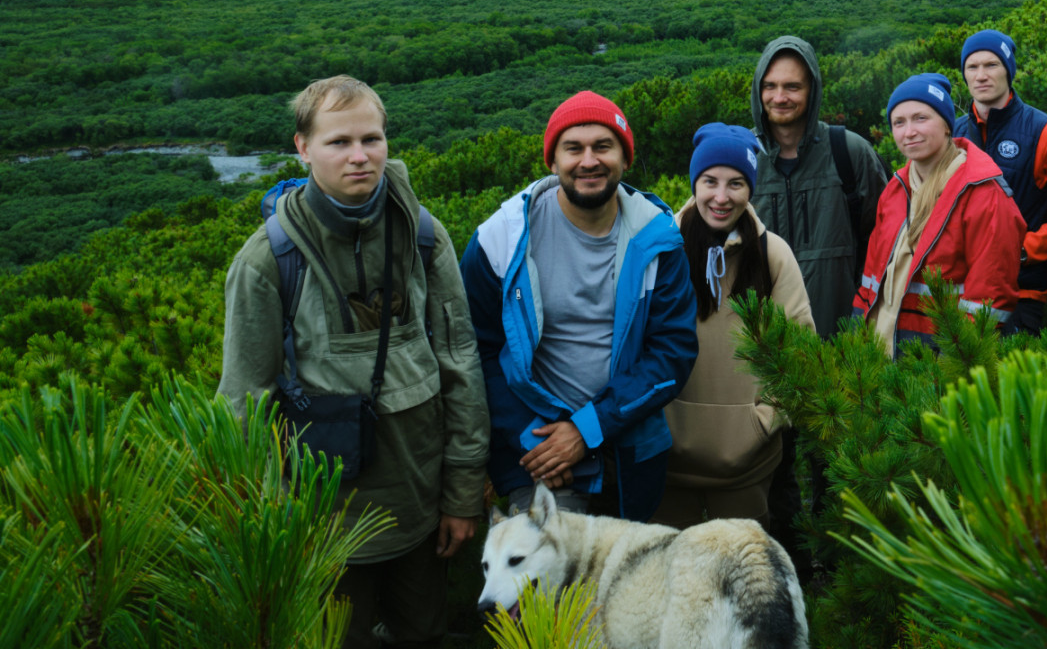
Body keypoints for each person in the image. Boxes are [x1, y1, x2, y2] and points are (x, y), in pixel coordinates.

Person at [218, 75, 489, 649]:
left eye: (372, 138)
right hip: (321, 522)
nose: (360, 156)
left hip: (419, 511)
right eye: (339, 142)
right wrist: (269, 525)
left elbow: (459, 363)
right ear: (303, 147)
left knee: (425, 635)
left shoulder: (423, 237)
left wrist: (463, 495)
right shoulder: (268, 260)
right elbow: (244, 401)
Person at [460, 91, 698, 523]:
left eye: (603, 146)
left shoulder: (657, 240)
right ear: (553, 161)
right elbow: (476, 347)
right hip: (538, 454)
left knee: (622, 584)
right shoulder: (503, 240)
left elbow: (672, 354)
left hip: (629, 453)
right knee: (546, 586)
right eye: (573, 148)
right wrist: (531, 437)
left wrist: (589, 428)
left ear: (625, 158)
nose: (589, 161)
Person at [655, 123, 816, 529]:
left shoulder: (771, 254)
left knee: (742, 572)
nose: (721, 197)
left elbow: (800, 351)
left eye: (736, 183)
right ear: (694, 183)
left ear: (751, 189)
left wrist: (762, 422)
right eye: (709, 181)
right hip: (666, 457)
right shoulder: (661, 248)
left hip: (749, 461)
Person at [852, 73, 1031, 353]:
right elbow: (872, 278)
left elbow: (989, 302)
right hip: (880, 358)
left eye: (921, 118)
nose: (909, 131)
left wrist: (950, 364)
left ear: (947, 125)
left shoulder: (984, 194)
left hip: (938, 366)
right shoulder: (896, 189)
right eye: (899, 122)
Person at [954, 30, 1047, 331]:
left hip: (1020, 295)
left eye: (991, 65)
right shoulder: (952, 136)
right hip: (957, 293)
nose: (981, 75)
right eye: (972, 67)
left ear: (1009, 70)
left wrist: (1022, 250)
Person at [750, 35, 888, 338]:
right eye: (769, 86)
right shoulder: (742, 158)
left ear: (812, 90)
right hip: (763, 349)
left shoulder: (850, 152)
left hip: (842, 343)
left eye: (793, 86)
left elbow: (885, 243)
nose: (779, 96)